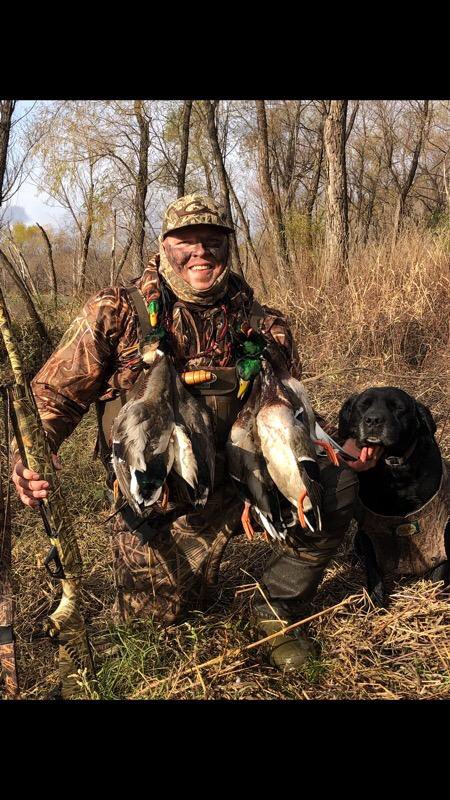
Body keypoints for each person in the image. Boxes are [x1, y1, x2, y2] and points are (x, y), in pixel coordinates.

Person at [11, 194, 383, 671]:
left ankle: (277, 609)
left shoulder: (265, 325)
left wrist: (335, 442)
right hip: (162, 503)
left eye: (212, 241)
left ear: (228, 247)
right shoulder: (117, 312)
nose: (200, 253)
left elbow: (288, 407)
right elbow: (53, 396)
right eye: (186, 242)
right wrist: (30, 456)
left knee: (335, 484)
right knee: (153, 628)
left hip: (244, 482)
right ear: (164, 246)